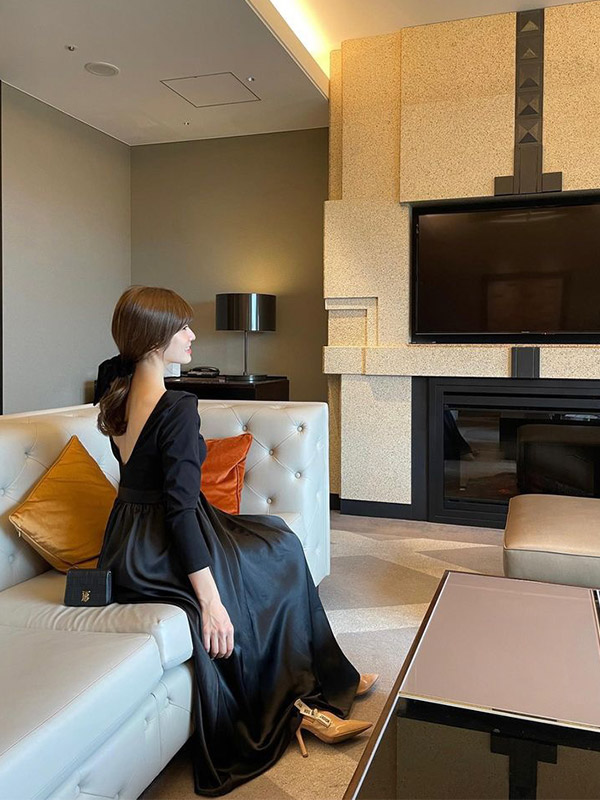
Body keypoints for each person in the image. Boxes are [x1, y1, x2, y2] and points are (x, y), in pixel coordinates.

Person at [96, 286, 378, 797]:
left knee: (275, 536)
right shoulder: (176, 406)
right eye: (182, 327)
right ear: (156, 338)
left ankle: (326, 675)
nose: (192, 335)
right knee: (277, 555)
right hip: (165, 541)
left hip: (126, 543)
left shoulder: (113, 388)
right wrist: (211, 604)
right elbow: (181, 510)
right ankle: (300, 704)